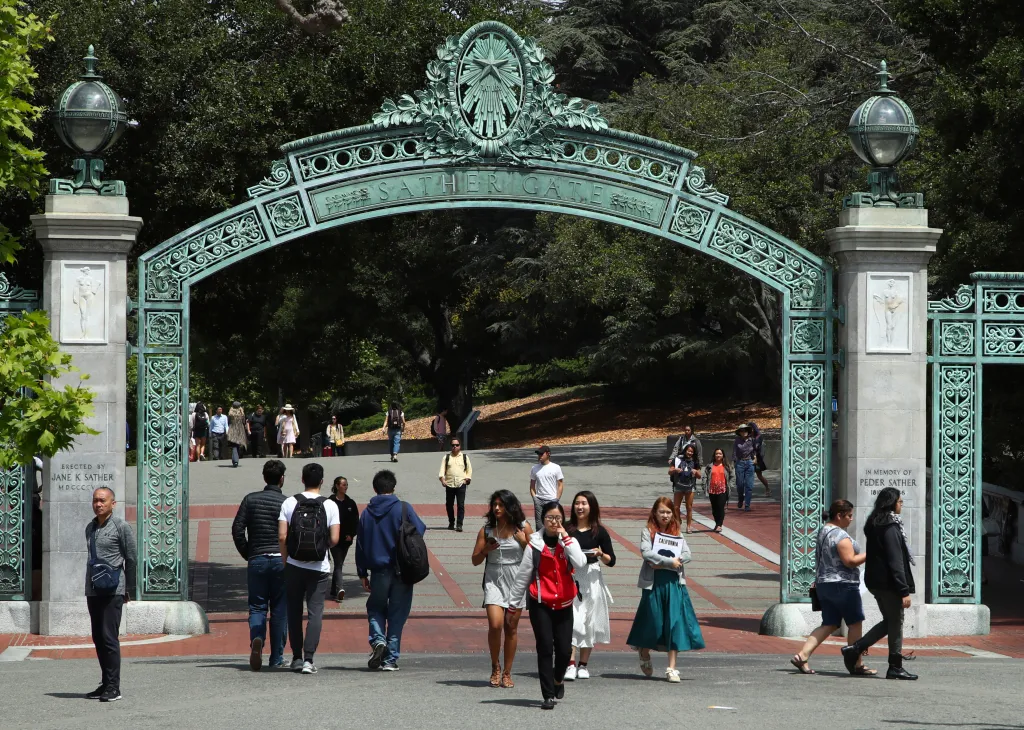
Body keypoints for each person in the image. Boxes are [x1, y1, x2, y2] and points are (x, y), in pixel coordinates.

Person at [508, 501, 587, 710]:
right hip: (540, 603)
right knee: (544, 648)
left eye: (558, 518)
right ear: (543, 520)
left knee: (563, 650)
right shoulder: (534, 544)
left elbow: (580, 562)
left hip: (564, 604)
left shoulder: (569, 541)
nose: (554, 522)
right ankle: (548, 695)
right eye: (550, 518)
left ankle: (558, 679)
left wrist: (565, 538)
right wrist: (513, 605)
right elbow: (523, 576)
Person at [842, 487, 919, 680]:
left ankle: (856, 649)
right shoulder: (890, 527)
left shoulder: (874, 523)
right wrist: (904, 590)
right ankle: (893, 665)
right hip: (888, 583)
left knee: (890, 621)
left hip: (875, 581)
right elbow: (896, 561)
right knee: (896, 621)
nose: (901, 504)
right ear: (892, 503)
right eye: (900, 501)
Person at [626, 497, 705, 683]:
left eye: (668, 512)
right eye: (662, 511)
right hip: (653, 584)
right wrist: (669, 561)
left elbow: (687, 554)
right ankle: (644, 651)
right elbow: (647, 553)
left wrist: (673, 561)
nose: (665, 515)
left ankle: (672, 667)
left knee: (675, 623)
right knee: (653, 621)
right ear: (655, 512)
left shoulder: (677, 533)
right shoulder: (647, 532)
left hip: (674, 583)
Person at [791, 499, 871, 675]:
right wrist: (870, 554)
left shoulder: (824, 531)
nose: (851, 519)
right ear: (839, 515)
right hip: (843, 584)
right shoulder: (840, 536)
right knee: (855, 623)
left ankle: (802, 655)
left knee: (829, 623)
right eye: (849, 516)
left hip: (824, 584)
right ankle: (856, 662)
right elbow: (850, 561)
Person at [356, 469, 426, 671]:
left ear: (374, 488)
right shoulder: (403, 508)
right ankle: (390, 659)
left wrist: (362, 572)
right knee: (398, 613)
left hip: (378, 571)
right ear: (393, 487)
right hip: (403, 571)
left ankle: (378, 640)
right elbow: (419, 530)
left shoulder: (367, 513)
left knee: (375, 607)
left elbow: (360, 544)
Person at [277, 462, 340, 674]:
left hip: (294, 565)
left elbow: (282, 536)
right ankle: (308, 660)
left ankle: (295, 657)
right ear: (322, 481)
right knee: (315, 613)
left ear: (302, 479)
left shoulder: (289, 502)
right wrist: (320, 546)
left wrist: (287, 560)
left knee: (294, 612)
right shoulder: (330, 505)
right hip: (319, 567)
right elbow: (334, 538)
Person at [232, 459, 289, 671]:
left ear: (264, 477)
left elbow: (237, 529)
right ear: (281, 478)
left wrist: (248, 553)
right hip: (280, 560)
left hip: (257, 558)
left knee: (257, 606)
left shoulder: (250, 500)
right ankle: (276, 657)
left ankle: (257, 638)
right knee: (280, 608)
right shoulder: (287, 502)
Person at [471, 490, 532, 688]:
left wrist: (524, 543)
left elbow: (537, 556)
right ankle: (494, 666)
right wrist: (486, 550)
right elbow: (475, 560)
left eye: (501, 505)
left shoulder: (523, 527)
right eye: (494, 504)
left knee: (511, 627)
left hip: (516, 579)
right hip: (493, 579)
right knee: (496, 624)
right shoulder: (487, 530)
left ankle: (507, 672)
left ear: (510, 506)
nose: (497, 508)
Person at [83, 487, 137, 702]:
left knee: (109, 638)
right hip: (93, 590)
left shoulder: (121, 526)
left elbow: (131, 558)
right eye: (95, 500)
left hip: (114, 589)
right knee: (98, 637)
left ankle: (114, 687)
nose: (98, 504)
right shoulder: (90, 527)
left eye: (103, 500)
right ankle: (105, 682)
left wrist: (128, 588)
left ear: (112, 504)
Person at [564, 491, 615, 681]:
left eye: (584, 503)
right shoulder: (567, 529)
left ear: (591, 506)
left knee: (589, 622)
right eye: (577, 503)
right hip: (573, 577)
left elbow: (612, 560)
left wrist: (601, 554)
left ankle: (583, 665)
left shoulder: (599, 531)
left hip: (592, 578)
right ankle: (570, 664)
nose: (580, 507)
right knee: (573, 621)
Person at [327, 476, 359, 602]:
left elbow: (355, 521)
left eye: (346, 484)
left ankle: (333, 590)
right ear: (336, 486)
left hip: (346, 540)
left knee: (338, 564)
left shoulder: (350, 503)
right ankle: (340, 588)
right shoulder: (329, 502)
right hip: (333, 539)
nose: (345, 487)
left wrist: (352, 534)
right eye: (343, 484)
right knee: (339, 563)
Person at [439, 437, 473, 532]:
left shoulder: (465, 457)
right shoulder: (446, 457)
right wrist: (442, 479)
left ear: (460, 446)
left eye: (457, 445)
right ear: (451, 446)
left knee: (460, 505)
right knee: (449, 505)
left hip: (461, 484)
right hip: (449, 484)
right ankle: (451, 522)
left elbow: (469, 470)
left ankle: (459, 524)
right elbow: (442, 470)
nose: (455, 447)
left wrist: (467, 479)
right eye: (453, 445)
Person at [529, 445, 564, 529]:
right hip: (539, 500)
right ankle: (540, 541)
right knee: (539, 524)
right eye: (538, 454)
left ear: (548, 454)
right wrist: (535, 498)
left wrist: (556, 499)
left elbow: (560, 485)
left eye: (541, 454)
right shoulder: (534, 468)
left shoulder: (556, 467)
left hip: (551, 500)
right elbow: (532, 485)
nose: (539, 456)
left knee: (552, 523)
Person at [669, 443, 701, 533]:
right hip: (678, 485)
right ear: (685, 450)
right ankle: (678, 520)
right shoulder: (677, 459)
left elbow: (699, 476)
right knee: (676, 507)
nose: (690, 453)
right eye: (688, 451)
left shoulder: (695, 461)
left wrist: (695, 472)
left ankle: (688, 526)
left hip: (690, 487)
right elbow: (669, 471)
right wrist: (675, 469)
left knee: (689, 507)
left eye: (691, 451)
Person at [702, 449, 734, 532]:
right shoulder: (710, 466)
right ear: (714, 455)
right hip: (712, 490)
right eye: (717, 454)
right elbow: (705, 476)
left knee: (720, 507)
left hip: (723, 490)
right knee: (714, 509)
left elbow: (732, 476)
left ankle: (719, 524)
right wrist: (704, 485)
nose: (718, 455)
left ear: (723, 455)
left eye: (720, 453)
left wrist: (730, 485)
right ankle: (717, 523)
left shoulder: (727, 466)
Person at [733, 423, 757, 511]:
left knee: (749, 485)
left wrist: (755, 458)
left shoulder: (752, 440)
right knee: (740, 484)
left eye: (745, 430)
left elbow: (755, 450)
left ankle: (747, 504)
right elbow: (734, 452)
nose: (744, 432)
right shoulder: (737, 440)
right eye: (742, 431)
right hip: (740, 462)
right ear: (739, 433)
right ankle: (740, 498)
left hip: (750, 462)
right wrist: (734, 463)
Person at [749, 420, 771, 496]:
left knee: (759, 475)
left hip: (757, 459)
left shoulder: (758, 437)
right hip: (749, 458)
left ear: (754, 429)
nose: (749, 430)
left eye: (751, 428)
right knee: (748, 475)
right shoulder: (747, 436)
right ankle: (747, 491)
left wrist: (755, 457)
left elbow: (757, 448)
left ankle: (767, 488)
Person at [228, 401, 247, 467]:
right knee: (238, 445)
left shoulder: (230, 414)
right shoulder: (241, 413)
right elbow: (244, 421)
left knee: (234, 446)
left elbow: (228, 422)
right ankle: (235, 460)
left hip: (232, 430)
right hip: (240, 430)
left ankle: (235, 460)